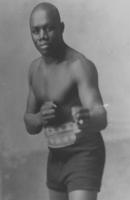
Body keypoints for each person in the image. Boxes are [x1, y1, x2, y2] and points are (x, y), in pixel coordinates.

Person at [24, 2, 107, 200]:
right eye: (36, 31)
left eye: (49, 28)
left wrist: (88, 116)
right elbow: (29, 123)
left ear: (61, 28)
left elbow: (101, 118)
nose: (42, 36)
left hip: (84, 154)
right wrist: (40, 117)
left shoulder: (79, 66)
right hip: (56, 158)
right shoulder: (34, 70)